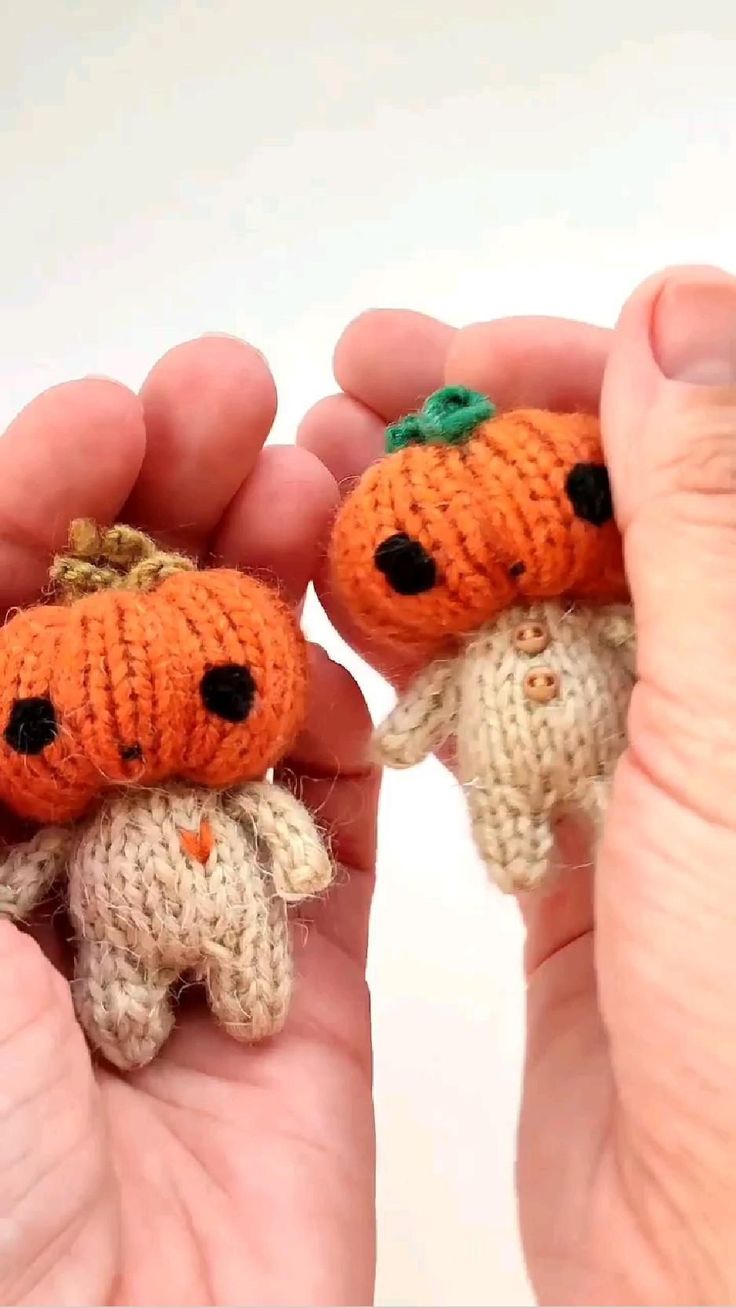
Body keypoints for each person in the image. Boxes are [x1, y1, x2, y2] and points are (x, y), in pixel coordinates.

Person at [0, 264, 733, 1306]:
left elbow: (335, 775)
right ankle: (130, 1013)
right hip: (119, 937)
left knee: (555, 827)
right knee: (124, 996)